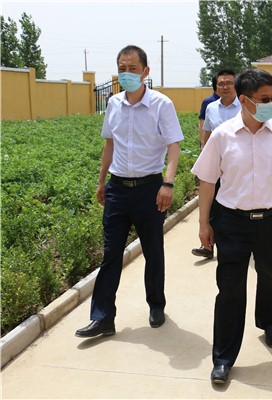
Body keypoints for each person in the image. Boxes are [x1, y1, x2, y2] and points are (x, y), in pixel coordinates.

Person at [191, 69, 272, 384]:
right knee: (230, 289)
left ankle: (269, 323)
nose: (270, 104)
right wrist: (203, 223)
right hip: (231, 222)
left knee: (271, 276)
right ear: (244, 100)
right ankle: (223, 358)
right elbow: (207, 181)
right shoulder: (222, 136)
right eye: (264, 99)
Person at [75, 45, 183, 337]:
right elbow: (109, 144)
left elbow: (173, 147)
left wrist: (168, 184)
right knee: (110, 254)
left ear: (145, 72)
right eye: (121, 68)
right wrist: (101, 181)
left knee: (153, 251)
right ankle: (102, 318)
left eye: (132, 68)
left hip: (150, 189)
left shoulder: (161, 104)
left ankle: (156, 304)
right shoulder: (113, 103)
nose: (126, 74)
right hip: (118, 189)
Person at [192, 69, 241, 259]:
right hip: (216, 167)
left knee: (236, 206)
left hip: (238, 167)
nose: (225, 87)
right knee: (212, 206)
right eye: (221, 84)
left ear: (236, 85)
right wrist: (204, 157)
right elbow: (208, 134)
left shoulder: (244, 107)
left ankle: (239, 243)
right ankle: (208, 245)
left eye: (229, 83)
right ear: (216, 87)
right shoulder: (211, 107)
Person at [198, 74, 220, 145]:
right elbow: (202, 122)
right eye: (221, 84)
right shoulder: (209, 101)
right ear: (216, 86)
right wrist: (203, 143)